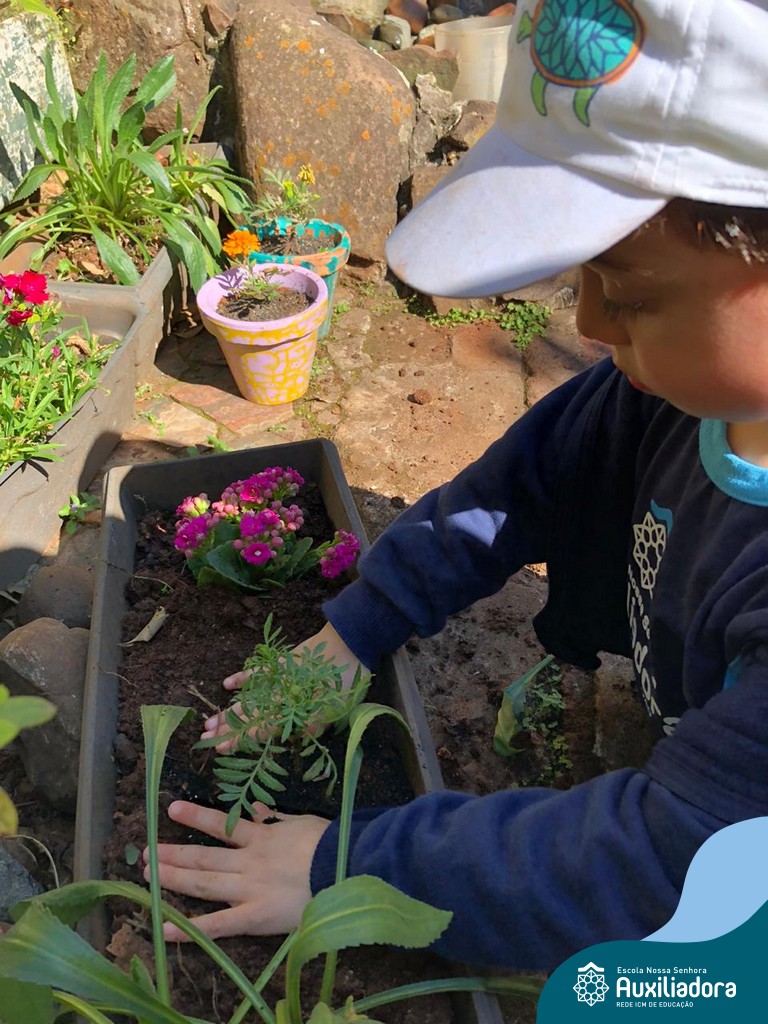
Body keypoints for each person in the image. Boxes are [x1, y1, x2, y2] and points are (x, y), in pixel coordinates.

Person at [146, 0, 768, 970]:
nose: (589, 323)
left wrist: (356, 869)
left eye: (629, 291)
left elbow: (669, 856)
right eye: (582, 278)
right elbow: (525, 481)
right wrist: (362, 625)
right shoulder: (677, 395)